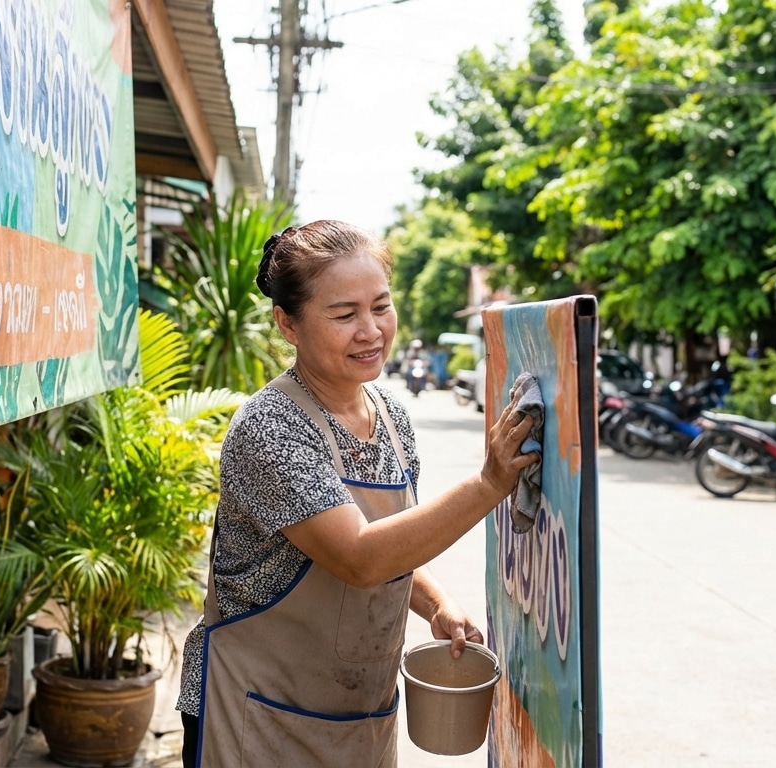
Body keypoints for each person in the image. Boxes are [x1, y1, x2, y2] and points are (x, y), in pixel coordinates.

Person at [174, 220, 539, 767]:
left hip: (357, 720)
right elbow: (361, 556)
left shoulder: (390, 416)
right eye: (344, 315)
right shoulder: (271, 427)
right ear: (287, 324)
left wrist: (438, 603)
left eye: (381, 306)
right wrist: (489, 484)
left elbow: (397, 547)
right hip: (255, 714)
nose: (370, 330)